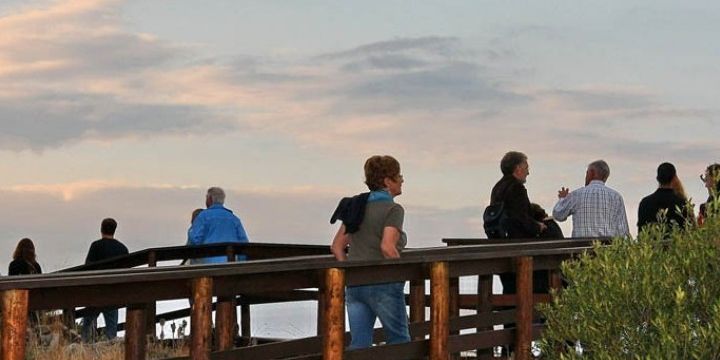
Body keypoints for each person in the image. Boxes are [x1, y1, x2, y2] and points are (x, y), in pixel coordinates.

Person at [330, 155, 410, 349]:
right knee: (399, 342)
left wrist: (348, 271)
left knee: (359, 344)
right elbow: (387, 246)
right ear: (387, 181)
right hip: (384, 283)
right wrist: (400, 276)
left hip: (356, 284)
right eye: (398, 176)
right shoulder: (393, 209)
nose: (402, 180)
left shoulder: (356, 206)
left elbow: (337, 246)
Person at [488, 151, 546, 294]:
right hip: (518, 245)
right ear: (518, 168)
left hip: (501, 244)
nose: (528, 172)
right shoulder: (516, 188)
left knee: (510, 288)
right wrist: (538, 226)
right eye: (526, 167)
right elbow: (520, 217)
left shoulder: (498, 187)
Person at [552, 160, 630, 238]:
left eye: (587, 173)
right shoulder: (616, 197)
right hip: (607, 247)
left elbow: (558, 215)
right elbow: (623, 231)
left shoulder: (577, 195)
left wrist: (562, 199)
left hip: (581, 247)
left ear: (592, 173)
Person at [82, 218, 129, 342]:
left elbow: (87, 267)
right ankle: (111, 351)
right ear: (114, 230)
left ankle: (85, 348)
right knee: (111, 330)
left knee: (88, 326)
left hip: (96, 292)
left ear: (101, 229)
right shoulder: (122, 249)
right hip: (113, 293)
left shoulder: (96, 246)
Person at [188, 187, 249, 263]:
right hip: (230, 263)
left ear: (210, 199)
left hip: (209, 265)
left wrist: (191, 231)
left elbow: (195, 240)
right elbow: (244, 243)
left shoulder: (203, 217)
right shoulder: (234, 219)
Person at [637, 162, 693, 232]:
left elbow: (641, 232)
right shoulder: (682, 202)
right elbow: (691, 229)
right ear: (674, 178)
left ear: (657, 179)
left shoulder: (645, 203)